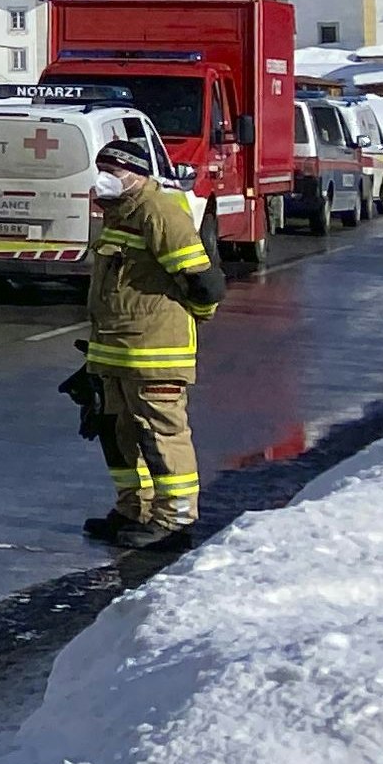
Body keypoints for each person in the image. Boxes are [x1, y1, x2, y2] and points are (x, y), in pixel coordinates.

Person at [79, 136, 224, 550]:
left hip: (154, 351)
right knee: (121, 431)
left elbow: (204, 283)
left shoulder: (159, 211)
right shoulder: (118, 213)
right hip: (116, 349)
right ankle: (133, 509)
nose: (104, 179)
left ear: (138, 175)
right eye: (101, 170)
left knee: (162, 434)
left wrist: (194, 317)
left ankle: (175, 519)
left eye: (113, 172)